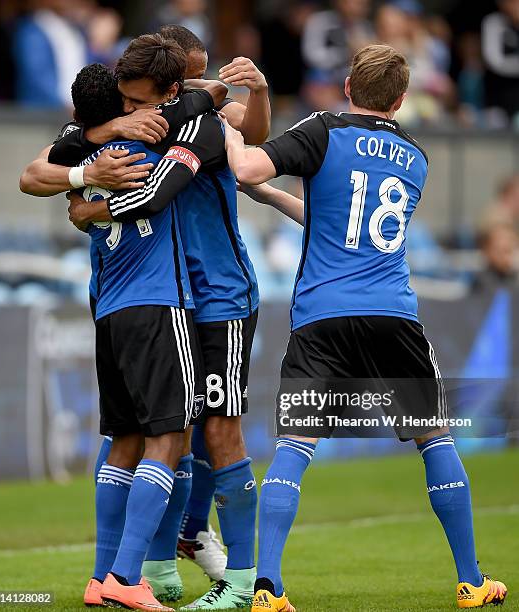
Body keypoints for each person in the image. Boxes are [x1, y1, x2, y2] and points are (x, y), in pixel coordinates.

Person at [223, 44, 508, 611]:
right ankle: (471, 581)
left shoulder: (324, 129)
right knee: (434, 439)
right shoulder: (416, 157)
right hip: (392, 316)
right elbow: (348, 221)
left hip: (323, 317)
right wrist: (277, 197)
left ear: (348, 86)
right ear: (401, 100)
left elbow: (244, 166)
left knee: (294, 446)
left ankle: (268, 588)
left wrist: (224, 129)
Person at [66, 27, 269, 610]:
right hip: (170, 300)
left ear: (173, 88)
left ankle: (240, 578)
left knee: (213, 433)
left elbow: (250, 137)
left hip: (220, 295)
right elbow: (46, 163)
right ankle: (148, 569)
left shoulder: (201, 125)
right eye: (123, 102)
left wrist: (87, 206)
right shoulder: (135, 129)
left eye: (138, 103)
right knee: (159, 433)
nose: (130, 113)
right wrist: (88, 175)